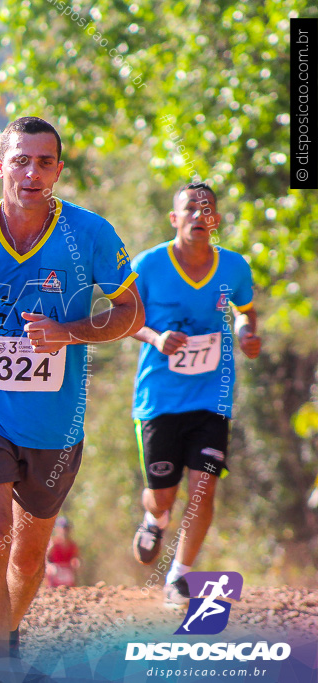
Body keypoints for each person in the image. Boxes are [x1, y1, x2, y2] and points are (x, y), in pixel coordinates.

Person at [0, 116, 144, 663]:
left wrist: (68, 333)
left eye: (45, 162)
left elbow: (132, 312)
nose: (32, 171)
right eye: (20, 159)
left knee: (27, 559)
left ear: (58, 171)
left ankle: (3, 636)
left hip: (55, 424)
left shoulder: (90, 234)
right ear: (0, 165)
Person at [129, 183, 261, 605]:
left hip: (212, 395)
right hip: (159, 399)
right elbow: (126, 318)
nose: (199, 216)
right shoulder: (149, 265)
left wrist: (245, 332)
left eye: (207, 210)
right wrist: (155, 336)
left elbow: (245, 307)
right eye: (191, 209)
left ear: (216, 220)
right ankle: (155, 515)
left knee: (204, 486)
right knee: (163, 492)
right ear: (175, 219)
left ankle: (179, 576)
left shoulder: (234, 267)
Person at [44, 517, 80, 587]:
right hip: (55, 571)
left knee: (70, 575)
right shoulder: (53, 543)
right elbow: (45, 559)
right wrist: (49, 567)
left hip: (67, 570)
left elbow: (75, 557)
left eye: (66, 528)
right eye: (63, 528)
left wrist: (75, 562)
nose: (65, 531)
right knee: (53, 570)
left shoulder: (72, 545)